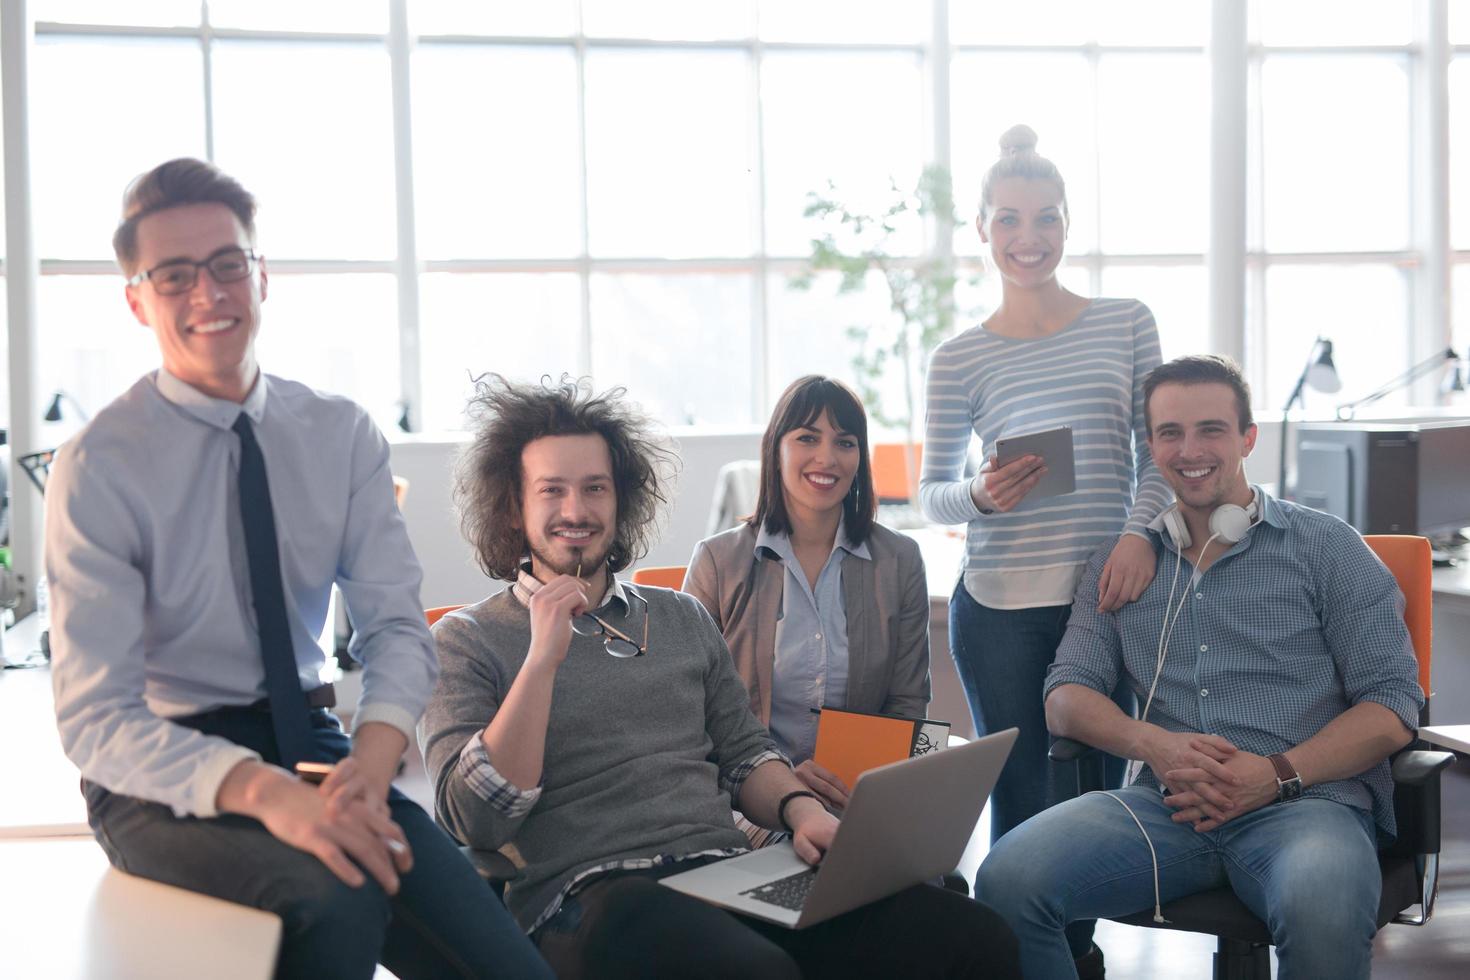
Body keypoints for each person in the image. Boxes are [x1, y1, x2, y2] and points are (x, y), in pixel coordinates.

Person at [45, 159, 549, 979]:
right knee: (335, 896)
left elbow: (394, 627)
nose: (208, 293)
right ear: (137, 300)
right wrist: (266, 793)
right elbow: (94, 719)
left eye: (226, 264)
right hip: (159, 773)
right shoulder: (100, 463)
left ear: (262, 276)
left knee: (505, 964)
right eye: (174, 275)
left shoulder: (337, 433)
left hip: (317, 749)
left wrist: (375, 762)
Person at [419, 374, 1019, 979]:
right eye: (552, 491)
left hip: (728, 872)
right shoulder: (466, 641)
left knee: (974, 937)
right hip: (594, 894)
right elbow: (475, 819)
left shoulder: (679, 617)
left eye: (595, 488)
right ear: (513, 505)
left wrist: (801, 810)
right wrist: (542, 659)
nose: (576, 510)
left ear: (621, 499)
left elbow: (743, 751)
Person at [974, 355, 1423, 979]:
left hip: (1306, 804)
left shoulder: (1328, 546)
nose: (1190, 450)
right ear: (1151, 446)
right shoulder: (1123, 561)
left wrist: (1273, 774)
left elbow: (1394, 705)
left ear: (1248, 438)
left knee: (1322, 904)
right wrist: (1154, 745)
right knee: (1007, 881)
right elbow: (1065, 696)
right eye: (1170, 433)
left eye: (1211, 429)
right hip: (1164, 804)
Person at [919, 125, 1171, 971]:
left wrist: (1138, 535)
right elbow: (932, 492)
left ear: (1068, 224)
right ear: (983, 231)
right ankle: (1042, 965)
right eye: (1009, 220)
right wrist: (981, 496)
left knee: (1095, 803)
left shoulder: (1126, 323)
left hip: (1107, 596)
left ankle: (1074, 954)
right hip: (998, 608)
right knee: (1025, 802)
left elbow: (1159, 455)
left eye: (1046, 219)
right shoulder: (959, 358)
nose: (1029, 239)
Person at [685, 374, 929, 813]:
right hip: (748, 798)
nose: (826, 457)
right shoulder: (718, 562)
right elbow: (691, 715)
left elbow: (907, 706)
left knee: (934, 877)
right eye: (807, 437)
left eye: (845, 442)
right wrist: (779, 780)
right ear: (776, 448)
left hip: (856, 793)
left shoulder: (900, 560)